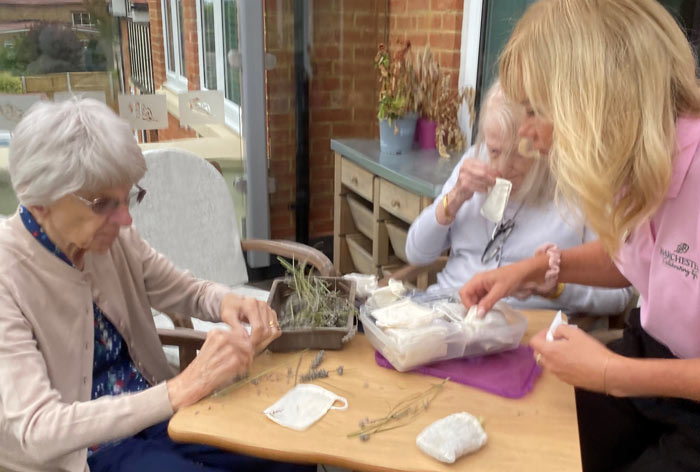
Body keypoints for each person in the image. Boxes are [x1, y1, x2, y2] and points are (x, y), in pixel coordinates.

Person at [0, 98, 315, 472]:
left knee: (291, 451)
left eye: (128, 197)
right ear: (40, 203)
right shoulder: (9, 275)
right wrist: (179, 389)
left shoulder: (111, 239)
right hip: (88, 451)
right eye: (103, 203)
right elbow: (37, 429)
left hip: (161, 417)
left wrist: (228, 302)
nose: (126, 219)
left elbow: (186, 290)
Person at [458, 0, 700, 470]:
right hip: (650, 363)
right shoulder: (644, 160)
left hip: (670, 386)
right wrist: (537, 269)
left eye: (535, 110)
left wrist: (612, 373)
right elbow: (647, 262)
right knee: (527, 441)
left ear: (593, 97)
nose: (528, 134)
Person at [405, 81, 634, 317]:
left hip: (522, 328)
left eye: (519, 153)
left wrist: (558, 288)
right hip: (446, 311)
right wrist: (454, 199)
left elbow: (619, 295)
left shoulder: (578, 187)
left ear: (543, 143)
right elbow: (416, 253)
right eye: (495, 150)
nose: (503, 167)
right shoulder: (474, 162)